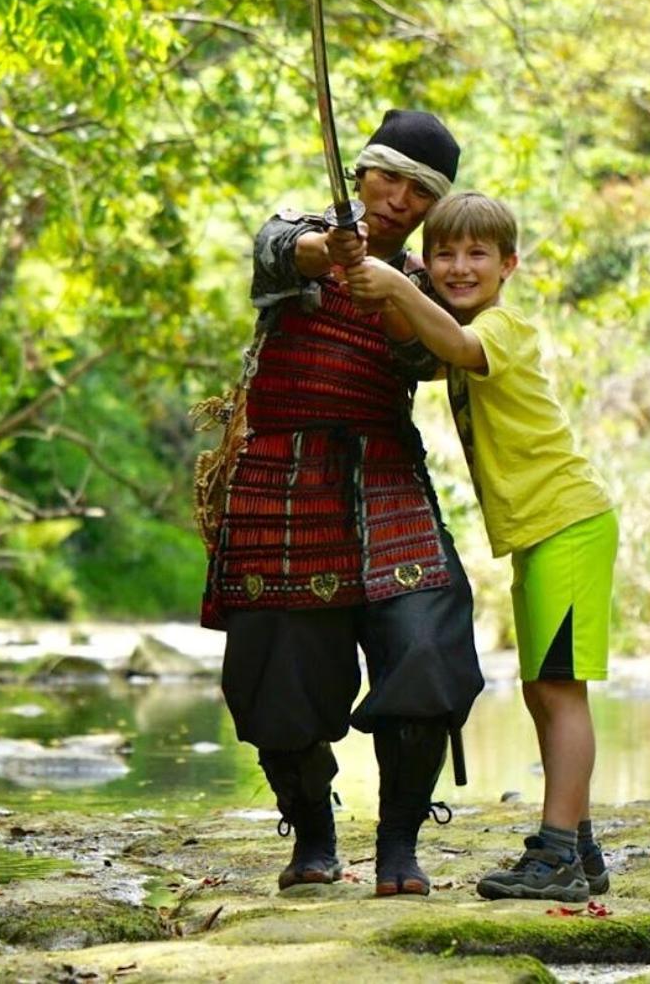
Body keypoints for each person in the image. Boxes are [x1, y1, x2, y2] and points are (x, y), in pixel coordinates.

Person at [202, 109, 485, 898]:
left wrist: (391, 289)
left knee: (429, 650)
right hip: (280, 481)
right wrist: (330, 254)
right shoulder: (296, 231)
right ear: (362, 172)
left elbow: (435, 353)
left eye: (420, 190)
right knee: (276, 671)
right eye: (388, 176)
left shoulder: (431, 281)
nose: (398, 198)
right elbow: (279, 255)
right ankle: (315, 837)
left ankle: (400, 845)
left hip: (386, 477)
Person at [346, 190, 618, 902]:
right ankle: (580, 849)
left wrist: (401, 284)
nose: (459, 266)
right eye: (444, 254)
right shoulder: (459, 325)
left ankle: (556, 852)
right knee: (542, 691)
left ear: (509, 265)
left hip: (566, 522)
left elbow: (457, 345)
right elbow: (422, 343)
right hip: (540, 535)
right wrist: (372, 276)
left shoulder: (503, 328)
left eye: (476, 254)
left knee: (561, 693)